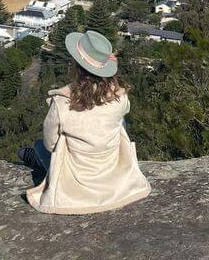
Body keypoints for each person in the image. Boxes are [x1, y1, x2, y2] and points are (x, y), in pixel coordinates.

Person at [19, 29, 151, 215]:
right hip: (112, 172)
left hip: (76, 180)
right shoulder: (120, 97)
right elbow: (122, 114)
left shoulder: (62, 103)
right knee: (119, 123)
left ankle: (38, 163)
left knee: (39, 146)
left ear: (76, 66)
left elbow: (50, 144)